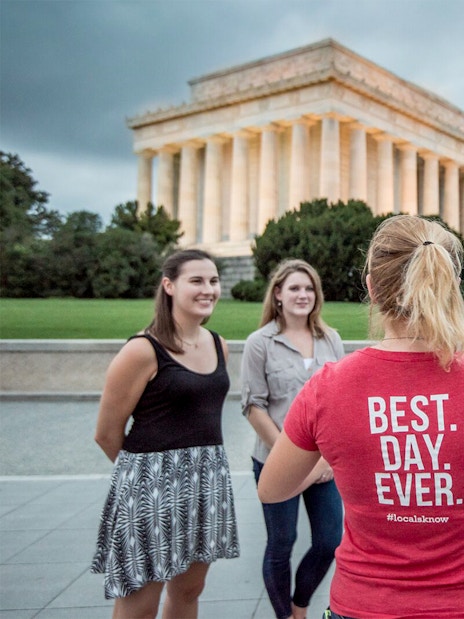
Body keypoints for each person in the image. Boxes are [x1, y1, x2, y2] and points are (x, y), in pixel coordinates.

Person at [258, 215, 464, 619]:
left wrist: (337, 459)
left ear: (370, 286)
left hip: (364, 603)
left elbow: (272, 489)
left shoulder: (329, 386)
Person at [91, 249, 240, 619]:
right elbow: (107, 433)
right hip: (151, 491)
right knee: (139, 604)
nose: (208, 289)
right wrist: (147, 481)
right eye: (197, 281)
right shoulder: (142, 350)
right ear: (169, 285)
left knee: (189, 592)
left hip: (206, 484)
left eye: (213, 281)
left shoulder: (218, 344)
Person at [241, 259, 344, 619]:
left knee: (330, 540)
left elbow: (340, 402)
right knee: (281, 543)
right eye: (295, 288)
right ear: (278, 295)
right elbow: (253, 406)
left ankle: (300, 604)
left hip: (323, 464)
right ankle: (287, 615)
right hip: (276, 460)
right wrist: (288, 454)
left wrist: (326, 461)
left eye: (309, 288)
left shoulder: (330, 339)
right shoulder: (260, 343)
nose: (303, 295)